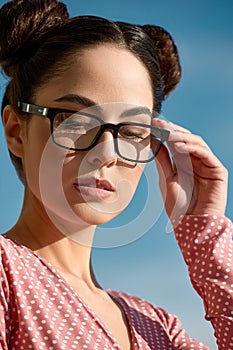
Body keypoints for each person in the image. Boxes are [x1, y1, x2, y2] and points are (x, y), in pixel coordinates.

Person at [0, 0, 232, 349]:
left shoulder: (159, 327)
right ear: (17, 131)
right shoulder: (6, 274)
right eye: (74, 119)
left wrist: (204, 232)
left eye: (132, 131)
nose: (105, 154)